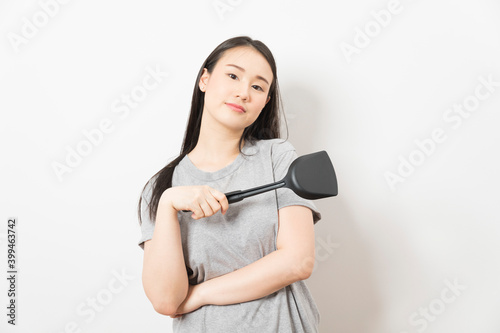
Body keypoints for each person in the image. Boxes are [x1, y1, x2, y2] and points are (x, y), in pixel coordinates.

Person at [137, 36, 322, 332]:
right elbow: (166, 300)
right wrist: (169, 203)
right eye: (233, 76)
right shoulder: (161, 188)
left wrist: (199, 294)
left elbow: (297, 261)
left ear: (265, 102)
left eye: (258, 86)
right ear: (205, 79)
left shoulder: (277, 157)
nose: (243, 92)